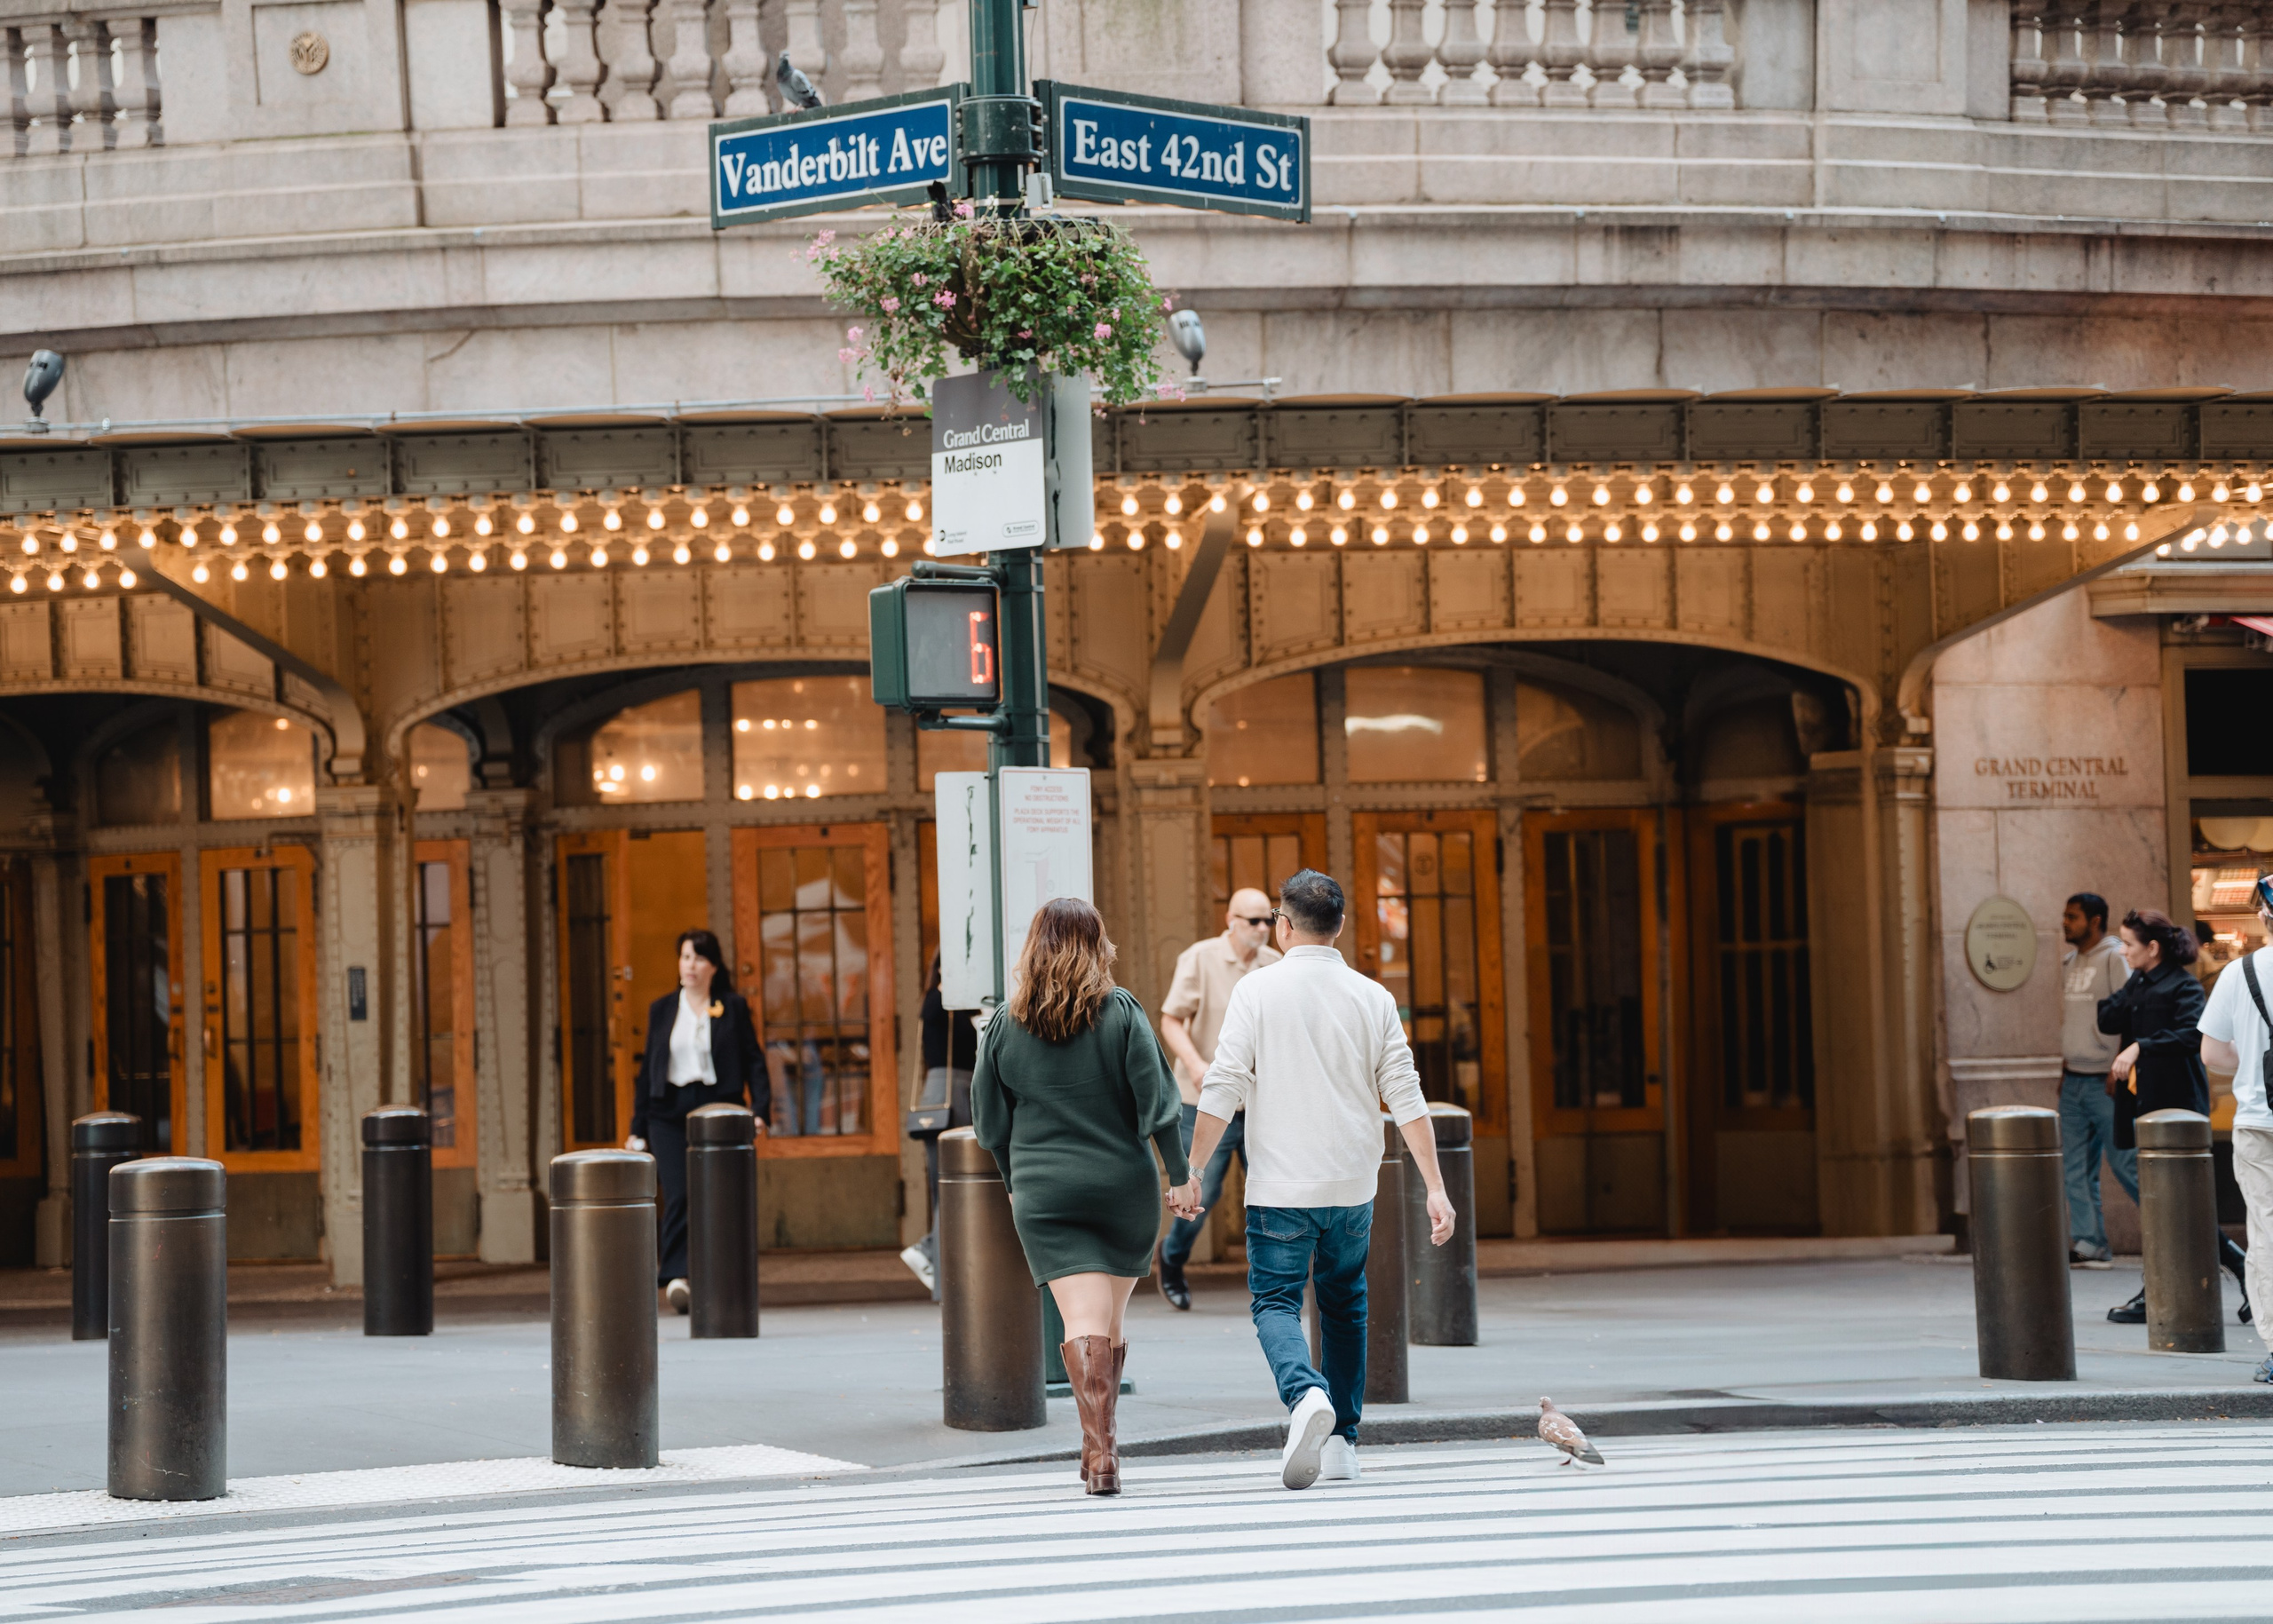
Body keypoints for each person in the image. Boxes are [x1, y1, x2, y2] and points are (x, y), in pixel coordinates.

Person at [1181, 868, 1456, 1493]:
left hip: (1280, 1184)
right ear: (1338, 928)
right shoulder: (1373, 997)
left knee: (1276, 1300)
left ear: (1283, 924)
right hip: (1353, 1183)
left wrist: (1193, 1169)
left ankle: (1305, 1394)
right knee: (1343, 1300)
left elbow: (1222, 1084)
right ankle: (1342, 1443)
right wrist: (1436, 1187)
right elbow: (1406, 1096)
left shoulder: (1257, 991)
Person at [971, 897, 1191, 1496]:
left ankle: (1100, 1448)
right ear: (1098, 945)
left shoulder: (1003, 1025)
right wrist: (1179, 1174)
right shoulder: (1120, 1013)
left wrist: (1015, 1184)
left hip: (1045, 1191)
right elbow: (1159, 1103)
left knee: (1089, 1322)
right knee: (1108, 1322)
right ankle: (1102, 1446)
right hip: (1122, 1186)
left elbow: (989, 1124)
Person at [2095, 908, 2249, 1325]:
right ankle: (2238, 1270)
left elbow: (2192, 1035)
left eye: (2128, 944)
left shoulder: (2183, 986)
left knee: (2174, 1204)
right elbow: (2107, 1018)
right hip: (2144, 1104)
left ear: (2153, 947)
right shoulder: (2140, 981)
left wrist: (2140, 1045)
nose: (2123, 951)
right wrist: (2127, 991)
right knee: (2165, 1203)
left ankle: (2168, 1288)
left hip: (2175, 1105)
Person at [626, 928, 768, 1314]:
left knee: (717, 1197)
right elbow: (648, 1070)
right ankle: (677, 1275)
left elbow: (754, 1061)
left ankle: (713, 1275)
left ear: (713, 966)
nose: (690, 965)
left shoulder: (732, 1006)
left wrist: (760, 1112)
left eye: (699, 958)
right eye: (686, 957)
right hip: (667, 1111)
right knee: (680, 1191)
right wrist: (637, 1127)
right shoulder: (662, 1008)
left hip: (716, 1108)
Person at [1154, 886, 1282, 1309]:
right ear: (1231, 920)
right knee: (1200, 1192)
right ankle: (1171, 1258)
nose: (1263, 928)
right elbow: (1171, 1020)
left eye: (1269, 919)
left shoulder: (1276, 965)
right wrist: (1193, 1063)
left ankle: (1276, 1281)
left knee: (1271, 1191)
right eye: (1254, 920)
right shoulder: (1200, 957)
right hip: (1203, 1098)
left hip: (1260, 1101)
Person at [2202, 875, 2273, 1380]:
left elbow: (2213, 1053)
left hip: (2257, 1121)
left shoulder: (2239, 973)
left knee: (2267, 1235)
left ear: (2265, 917)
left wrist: (2251, 1061)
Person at [2058, 891, 2134, 1267]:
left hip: (2107, 1081)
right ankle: (2090, 1242)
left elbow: (2131, 1012)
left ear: (2095, 921)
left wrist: (2120, 1067)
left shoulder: (2115, 957)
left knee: (2125, 1163)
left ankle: (2173, 1228)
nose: (2065, 923)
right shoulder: (2069, 961)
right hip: (2073, 1081)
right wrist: (2063, 1070)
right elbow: (2070, 1022)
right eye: (2065, 916)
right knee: (2074, 1168)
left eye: (2073, 917)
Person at [901, 949, 978, 1294]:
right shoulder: (940, 999)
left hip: (952, 1090)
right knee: (951, 1183)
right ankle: (930, 1251)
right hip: (951, 1091)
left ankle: (934, 1257)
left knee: (951, 1183)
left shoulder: (944, 1001)